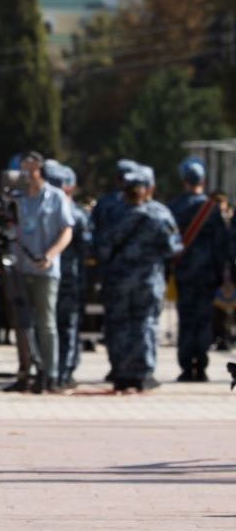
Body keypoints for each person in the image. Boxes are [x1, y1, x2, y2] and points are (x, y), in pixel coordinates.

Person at [98, 165, 182, 393]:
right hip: (147, 280)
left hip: (117, 279)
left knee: (118, 326)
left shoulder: (111, 211)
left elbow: (100, 247)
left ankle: (121, 373)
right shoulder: (159, 214)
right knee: (144, 325)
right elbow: (172, 248)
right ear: (148, 189)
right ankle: (142, 374)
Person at [11, 152, 75, 393]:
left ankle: (51, 373)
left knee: (45, 323)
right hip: (21, 267)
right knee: (22, 323)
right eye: (24, 170)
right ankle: (26, 371)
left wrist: (51, 255)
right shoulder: (18, 199)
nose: (28, 175)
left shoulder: (56, 197)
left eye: (32, 170)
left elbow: (67, 230)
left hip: (46, 270)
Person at [169, 158, 228, 382]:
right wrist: (225, 273)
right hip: (207, 274)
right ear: (202, 180)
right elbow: (222, 244)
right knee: (204, 319)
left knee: (185, 319)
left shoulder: (174, 207)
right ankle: (201, 366)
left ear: (183, 180)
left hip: (183, 272)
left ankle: (185, 367)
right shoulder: (212, 210)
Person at [53, 165, 91, 390]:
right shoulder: (76, 214)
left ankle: (49, 369)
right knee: (68, 325)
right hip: (71, 277)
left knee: (47, 324)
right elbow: (87, 247)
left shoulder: (39, 209)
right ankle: (65, 372)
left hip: (43, 275)